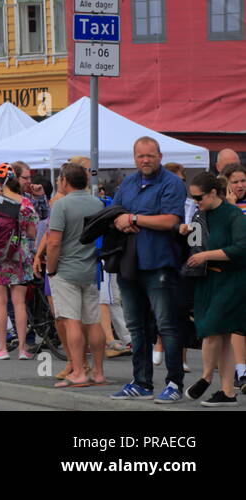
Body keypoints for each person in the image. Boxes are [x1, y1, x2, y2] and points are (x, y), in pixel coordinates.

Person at [109, 137, 188, 403]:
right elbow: (114, 213)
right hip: (130, 265)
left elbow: (170, 220)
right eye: (140, 156)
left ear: (160, 156)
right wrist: (120, 222)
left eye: (150, 156)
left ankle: (174, 383)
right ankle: (141, 382)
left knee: (167, 326)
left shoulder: (172, 183)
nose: (145, 160)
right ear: (134, 158)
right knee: (136, 327)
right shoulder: (128, 183)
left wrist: (133, 218)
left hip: (160, 263)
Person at [41, 162, 107, 387]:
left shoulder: (62, 205)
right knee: (94, 321)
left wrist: (50, 270)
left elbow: (54, 242)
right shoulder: (96, 203)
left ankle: (78, 371)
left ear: (64, 181)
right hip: (90, 268)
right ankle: (98, 372)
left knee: (72, 321)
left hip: (67, 269)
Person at [183, 172, 246, 406]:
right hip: (206, 280)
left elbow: (241, 248)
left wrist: (206, 255)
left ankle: (206, 377)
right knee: (223, 334)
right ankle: (228, 392)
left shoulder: (233, 214)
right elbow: (193, 248)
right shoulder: (200, 215)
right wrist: (186, 233)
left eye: (198, 197)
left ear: (212, 193)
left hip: (230, 280)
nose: (195, 201)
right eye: (192, 197)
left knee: (212, 331)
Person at [0, 164, 38, 360]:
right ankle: (23, 349)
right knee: (19, 303)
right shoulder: (27, 204)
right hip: (20, 256)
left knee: (0, 303)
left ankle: (2, 348)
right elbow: (32, 233)